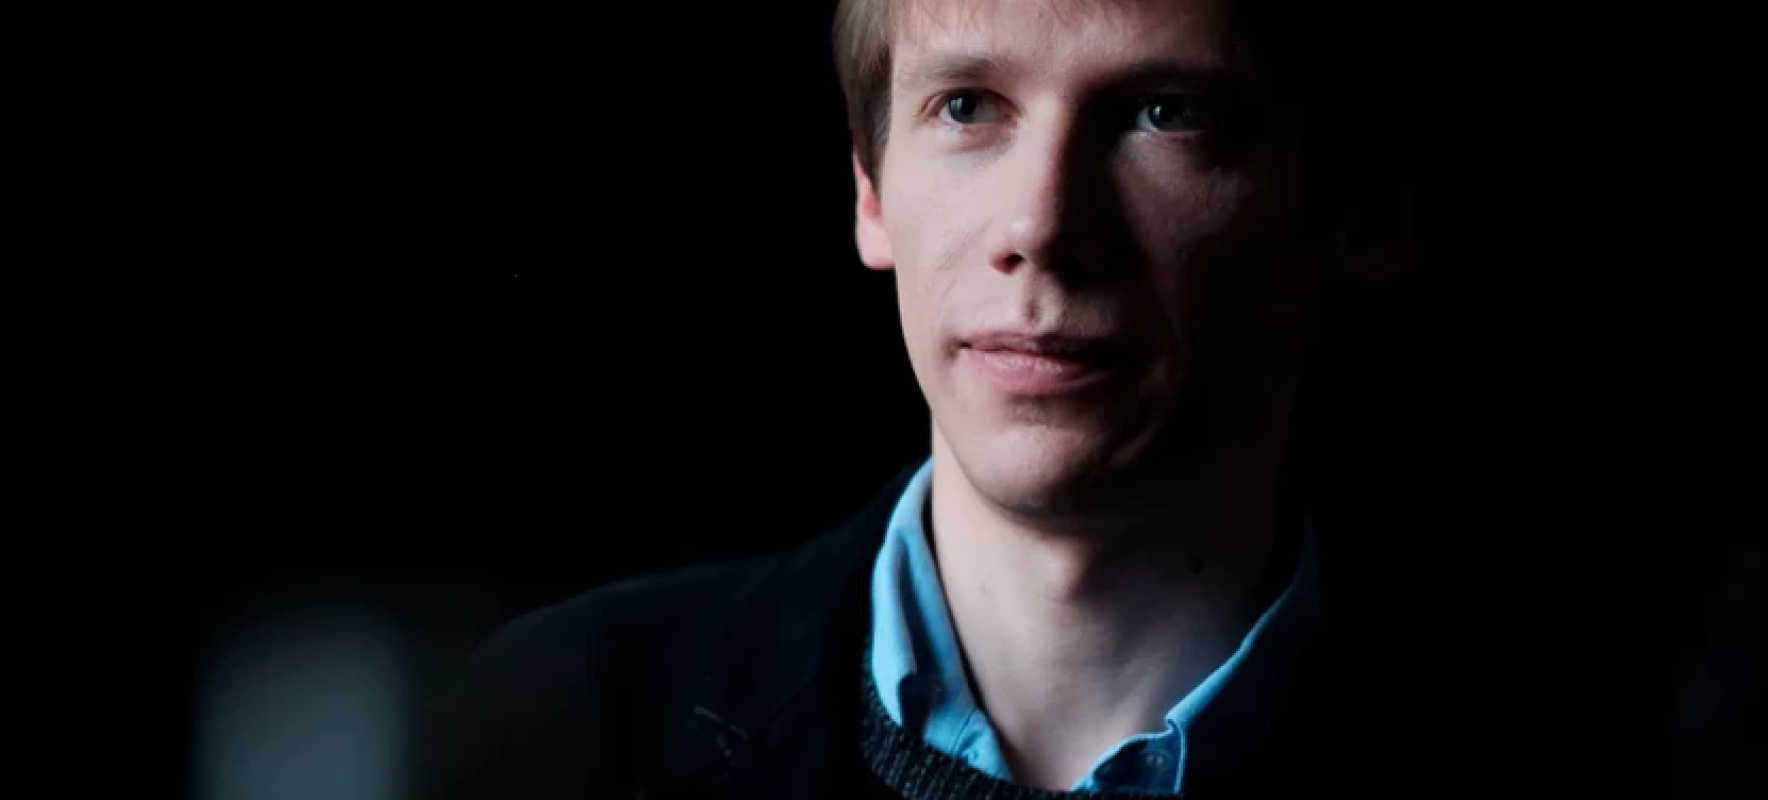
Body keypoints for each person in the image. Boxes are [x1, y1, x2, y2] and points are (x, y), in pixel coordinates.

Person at [427, 0, 1635, 796]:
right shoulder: (559, 720)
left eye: (1164, 113)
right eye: (965, 106)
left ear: (1361, 212)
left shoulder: (1589, 771)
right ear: (869, 193)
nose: (1041, 224)